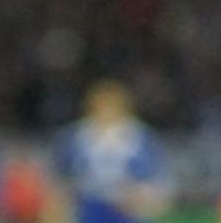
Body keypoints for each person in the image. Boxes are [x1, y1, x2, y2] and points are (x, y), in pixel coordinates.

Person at [51, 80, 174, 223]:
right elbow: (61, 173)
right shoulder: (77, 136)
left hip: (126, 204)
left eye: (111, 105)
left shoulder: (138, 136)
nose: (106, 110)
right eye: (102, 105)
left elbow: (156, 174)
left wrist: (145, 196)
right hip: (89, 202)